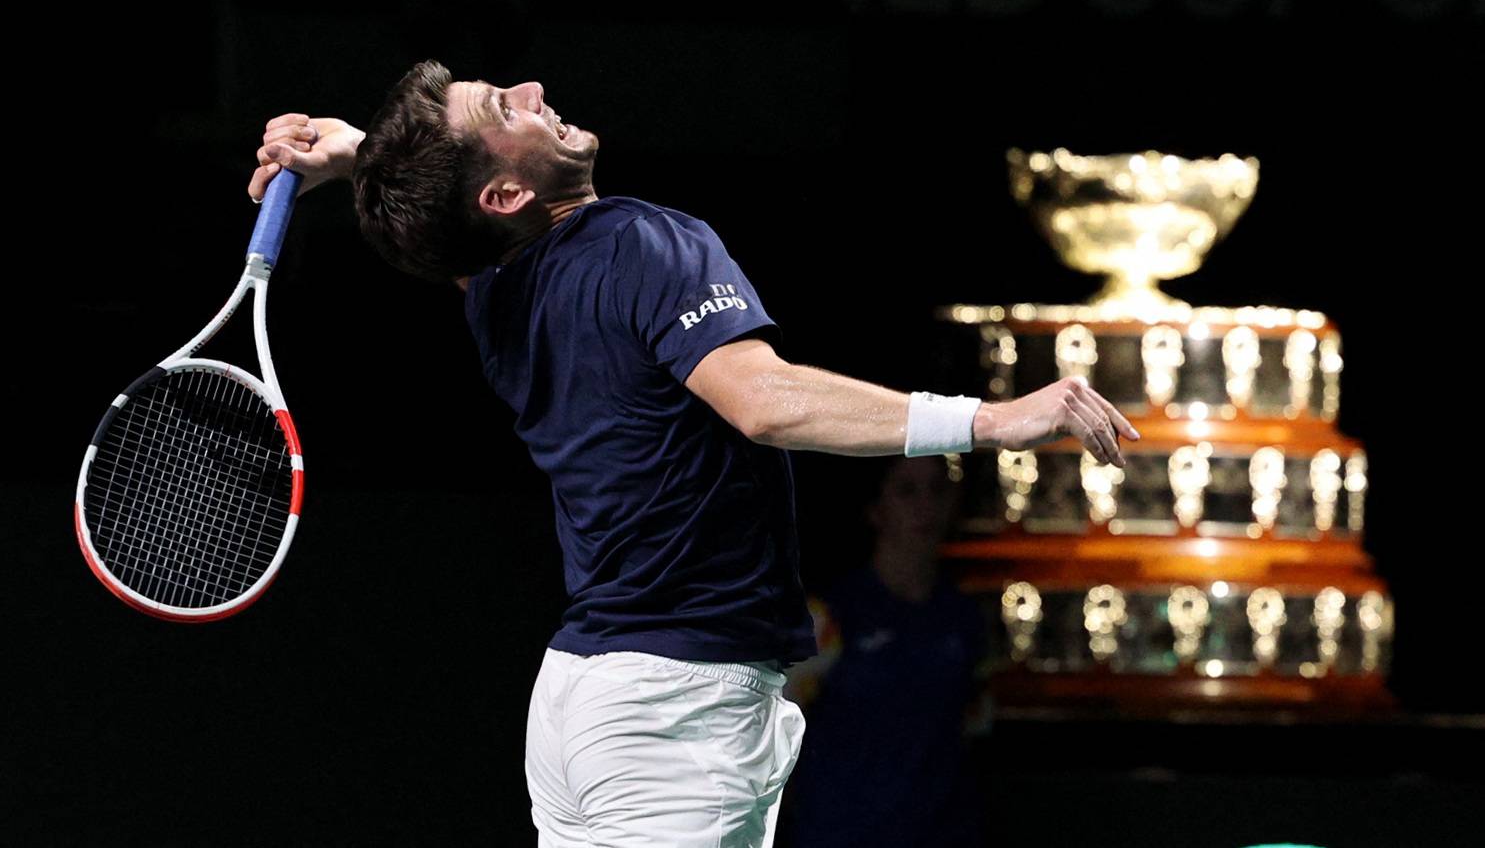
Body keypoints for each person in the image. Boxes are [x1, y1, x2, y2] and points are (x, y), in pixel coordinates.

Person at [248, 59, 1139, 847]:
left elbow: (450, 215)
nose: (534, 90)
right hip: (676, 708)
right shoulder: (642, 241)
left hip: (579, 705)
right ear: (507, 195)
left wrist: (366, 157)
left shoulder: (492, 289)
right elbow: (761, 400)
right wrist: (989, 420)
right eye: (505, 106)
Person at [782, 455, 991, 848]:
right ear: (876, 508)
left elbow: (973, 733)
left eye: (938, 489)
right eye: (907, 491)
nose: (925, 506)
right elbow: (775, 740)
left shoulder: (965, 618)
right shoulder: (830, 618)